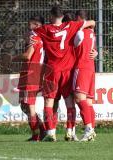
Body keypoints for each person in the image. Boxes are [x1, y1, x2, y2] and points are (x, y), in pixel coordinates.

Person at [34, 6, 96, 141]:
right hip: (68, 71)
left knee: (49, 103)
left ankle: (51, 133)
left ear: (51, 16)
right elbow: (92, 22)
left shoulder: (45, 29)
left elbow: (32, 32)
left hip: (52, 71)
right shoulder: (71, 26)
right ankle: (70, 131)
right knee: (70, 103)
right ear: (63, 16)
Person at [12, 16, 46, 141]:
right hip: (33, 74)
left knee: (29, 106)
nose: (27, 28)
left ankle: (36, 134)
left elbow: (28, 55)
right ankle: (42, 130)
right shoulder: (42, 38)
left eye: (30, 25)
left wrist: (12, 58)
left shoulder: (34, 37)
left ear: (37, 25)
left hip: (31, 76)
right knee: (24, 106)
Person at [73, 10, 97, 141]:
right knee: (88, 101)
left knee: (79, 98)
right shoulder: (91, 32)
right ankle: (91, 132)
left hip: (81, 67)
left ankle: (89, 129)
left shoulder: (80, 32)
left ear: (79, 19)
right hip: (91, 67)